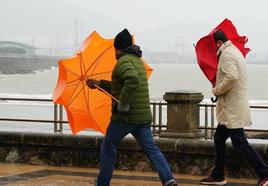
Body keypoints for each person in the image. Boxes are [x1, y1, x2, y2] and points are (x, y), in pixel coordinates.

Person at [87, 29, 178, 186]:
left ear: (117, 47)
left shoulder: (123, 61)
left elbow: (132, 80)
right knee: (152, 149)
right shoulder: (137, 61)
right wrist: (98, 83)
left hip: (125, 117)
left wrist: (123, 103)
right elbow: (119, 86)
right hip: (141, 117)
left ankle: (102, 183)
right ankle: (168, 179)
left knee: (108, 146)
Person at [200, 30, 268, 186]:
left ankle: (264, 173)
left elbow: (231, 77)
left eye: (213, 45)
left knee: (240, 143)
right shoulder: (234, 51)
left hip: (232, 108)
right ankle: (218, 175)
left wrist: (217, 89)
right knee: (219, 138)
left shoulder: (226, 55)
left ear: (218, 43)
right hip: (230, 107)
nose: (213, 49)